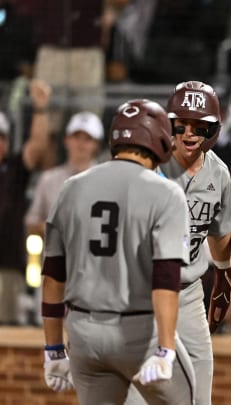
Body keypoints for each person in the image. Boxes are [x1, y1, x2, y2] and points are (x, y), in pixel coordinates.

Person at [40, 99, 195, 404]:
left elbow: (53, 277)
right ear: (159, 139)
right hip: (140, 333)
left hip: (84, 335)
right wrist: (165, 348)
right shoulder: (165, 192)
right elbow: (166, 279)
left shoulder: (70, 187)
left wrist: (53, 348)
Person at [125, 81, 231, 405]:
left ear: (213, 129)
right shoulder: (147, 165)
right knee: (134, 396)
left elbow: (220, 233)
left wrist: (224, 279)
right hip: (140, 295)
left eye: (199, 126)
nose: (189, 133)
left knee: (199, 396)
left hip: (187, 295)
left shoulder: (219, 173)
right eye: (181, 125)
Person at [0, 78, 52, 325]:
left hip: (8, 265)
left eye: (2, 137)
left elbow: (38, 146)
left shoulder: (14, 168)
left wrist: (40, 108)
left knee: (8, 334)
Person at [25, 110, 105, 237]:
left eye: (88, 139)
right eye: (76, 137)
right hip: (56, 253)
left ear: (97, 145)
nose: (81, 144)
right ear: (66, 140)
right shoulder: (48, 179)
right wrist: (55, 229)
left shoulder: (107, 181)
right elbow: (31, 222)